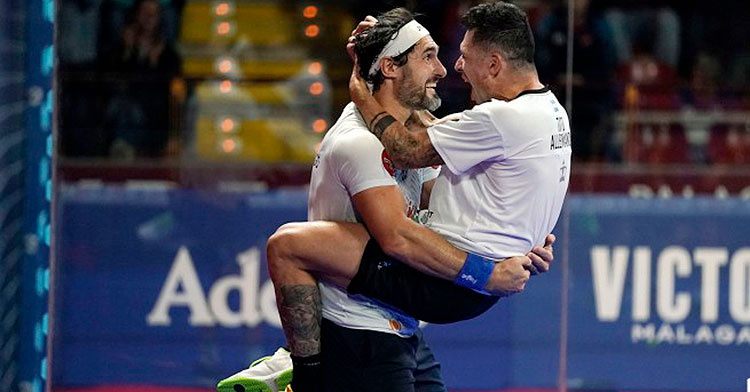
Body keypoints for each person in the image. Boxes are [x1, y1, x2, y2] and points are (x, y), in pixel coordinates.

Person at [219, 4, 562, 392]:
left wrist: (517, 232)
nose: (446, 69)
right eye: (428, 56)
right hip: (361, 334)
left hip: (403, 326)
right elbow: (397, 236)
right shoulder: (362, 144)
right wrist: (489, 271)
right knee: (288, 245)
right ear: (389, 68)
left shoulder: (420, 133)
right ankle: (305, 376)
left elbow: (445, 197)